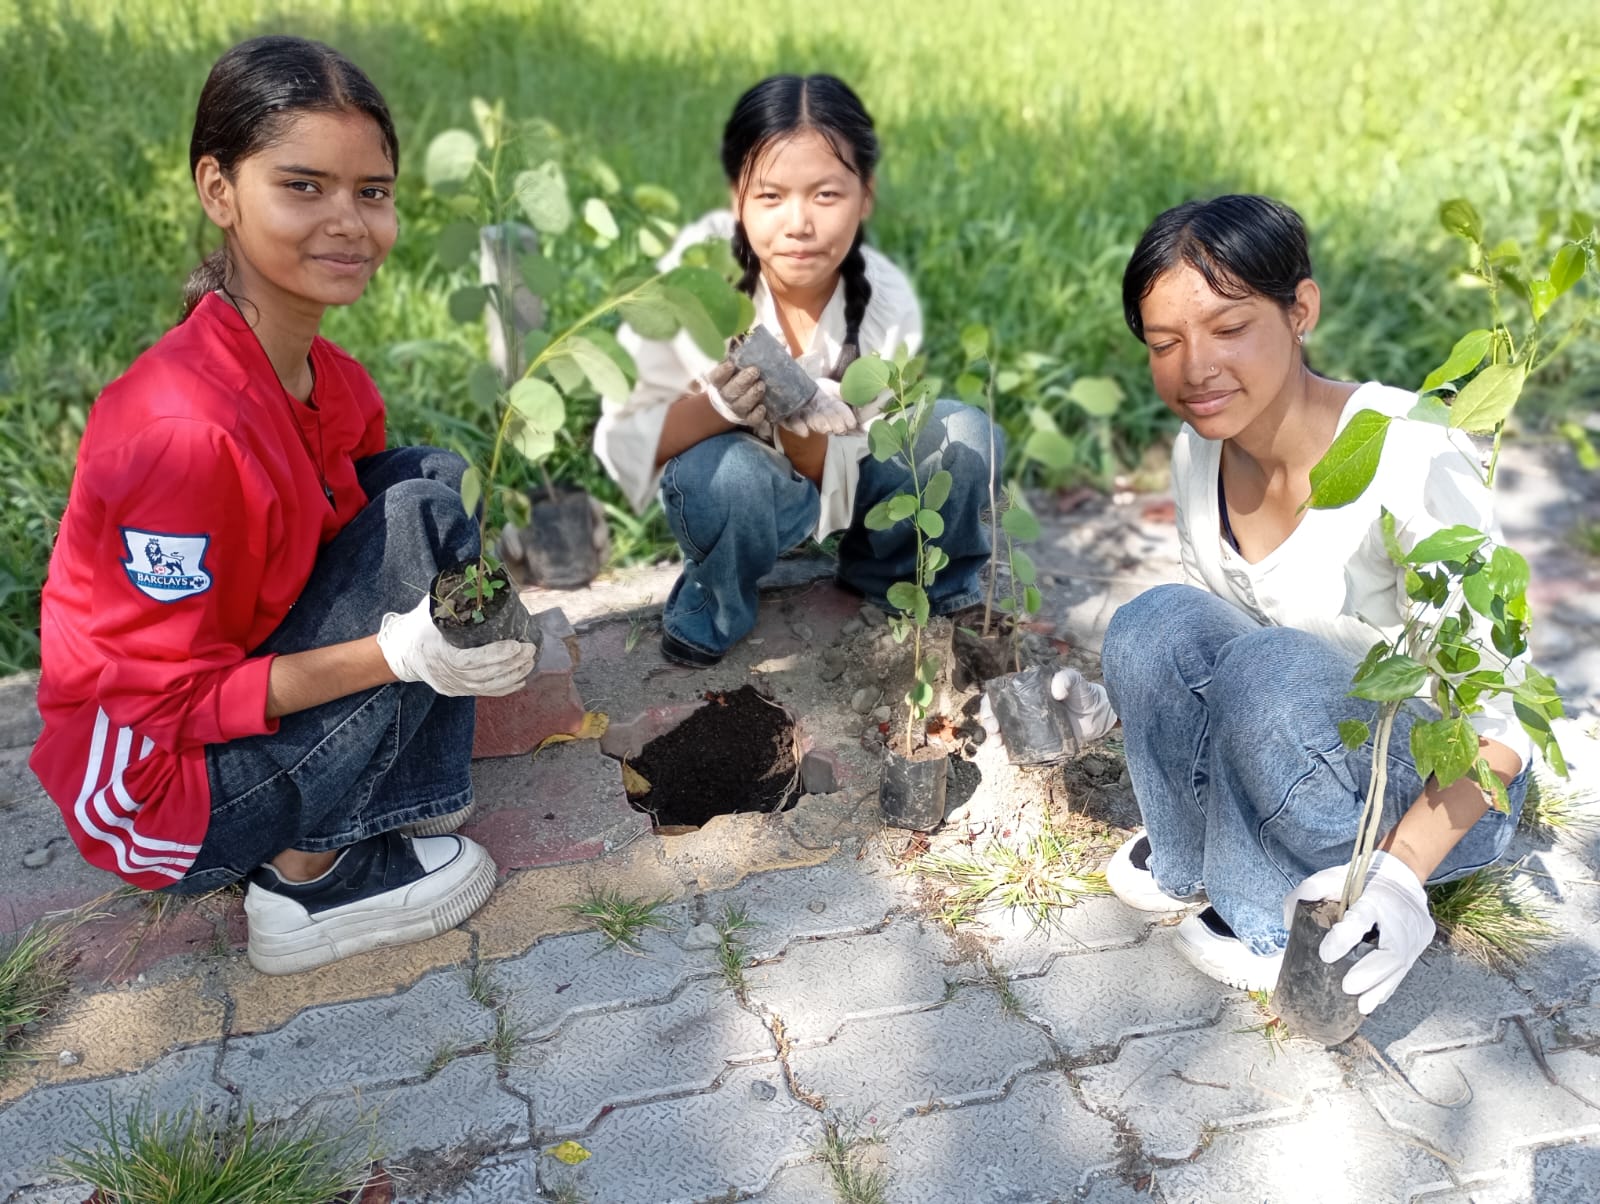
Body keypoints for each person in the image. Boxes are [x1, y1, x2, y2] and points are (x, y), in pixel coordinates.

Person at [29, 36, 536, 975]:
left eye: (372, 191)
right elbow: (167, 702)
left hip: (225, 699)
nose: (349, 222)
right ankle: (309, 884)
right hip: (161, 800)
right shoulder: (182, 436)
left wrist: (432, 632)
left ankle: (393, 798)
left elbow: (351, 549)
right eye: (303, 186)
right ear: (217, 189)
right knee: (416, 527)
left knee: (430, 481)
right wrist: (397, 654)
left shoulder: (329, 379)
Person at [1090, 195, 1529, 1006]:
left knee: (1269, 667)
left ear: (1301, 310)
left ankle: (1261, 911)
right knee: (1151, 623)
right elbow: (1210, 638)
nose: (1195, 368)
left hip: (1435, 777)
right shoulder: (1199, 450)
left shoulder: (1412, 453)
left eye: (1229, 328)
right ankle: (1195, 859)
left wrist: (1399, 878)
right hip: (1296, 723)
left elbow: (1498, 730)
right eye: (1164, 343)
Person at [591, 74, 1000, 667]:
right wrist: (719, 409)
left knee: (964, 434)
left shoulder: (884, 298)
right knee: (724, 477)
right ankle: (716, 601)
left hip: (845, 473)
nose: (798, 224)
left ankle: (897, 574)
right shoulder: (697, 274)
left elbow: (866, 460)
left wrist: (805, 419)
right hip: (739, 486)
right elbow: (627, 437)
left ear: (866, 196)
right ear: (737, 198)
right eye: (771, 196)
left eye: (826, 195)